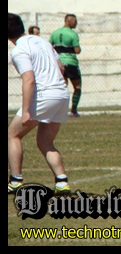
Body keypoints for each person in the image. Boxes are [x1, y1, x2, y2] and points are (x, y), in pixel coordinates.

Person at [8, 13, 71, 195]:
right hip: (60, 94)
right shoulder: (42, 41)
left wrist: (26, 110)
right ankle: (61, 182)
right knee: (45, 141)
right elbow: (61, 68)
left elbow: (29, 80)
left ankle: (16, 181)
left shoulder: (19, 51)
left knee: (12, 135)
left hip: (43, 96)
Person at [48, 13, 82, 118]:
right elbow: (77, 50)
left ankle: (59, 111)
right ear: (68, 21)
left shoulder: (55, 33)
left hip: (59, 63)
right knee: (77, 87)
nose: (76, 23)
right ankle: (73, 111)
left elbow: (49, 46)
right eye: (74, 21)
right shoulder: (73, 34)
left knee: (62, 87)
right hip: (71, 63)